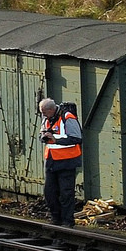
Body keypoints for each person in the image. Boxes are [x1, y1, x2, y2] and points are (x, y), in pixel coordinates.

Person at [40, 97, 83, 227]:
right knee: (49, 193)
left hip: (67, 161)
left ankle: (67, 221)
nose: (43, 115)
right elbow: (42, 135)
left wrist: (56, 140)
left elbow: (77, 138)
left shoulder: (68, 118)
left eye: (44, 112)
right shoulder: (47, 119)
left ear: (51, 110)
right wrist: (44, 137)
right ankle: (56, 219)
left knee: (66, 193)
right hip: (51, 161)